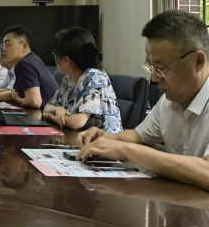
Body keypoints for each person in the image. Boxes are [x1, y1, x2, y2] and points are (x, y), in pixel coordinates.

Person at [77, 10, 209, 192]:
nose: (154, 78)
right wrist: (106, 138)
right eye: (151, 68)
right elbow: (139, 137)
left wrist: (125, 150)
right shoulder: (170, 100)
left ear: (198, 61)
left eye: (161, 68)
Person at [44, 27, 122, 133]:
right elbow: (47, 108)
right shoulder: (68, 80)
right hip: (77, 137)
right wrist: (58, 109)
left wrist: (52, 117)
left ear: (66, 60)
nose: (54, 56)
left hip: (104, 141)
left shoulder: (94, 77)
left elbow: (76, 123)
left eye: (55, 53)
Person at [0, 26, 58, 109]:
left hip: (48, 116)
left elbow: (34, 102)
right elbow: (12, 94)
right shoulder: (30, 60)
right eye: (3, 45)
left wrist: (17, 99)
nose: (3, 49)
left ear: (24, 46)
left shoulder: (25, 64)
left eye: (7, 44)